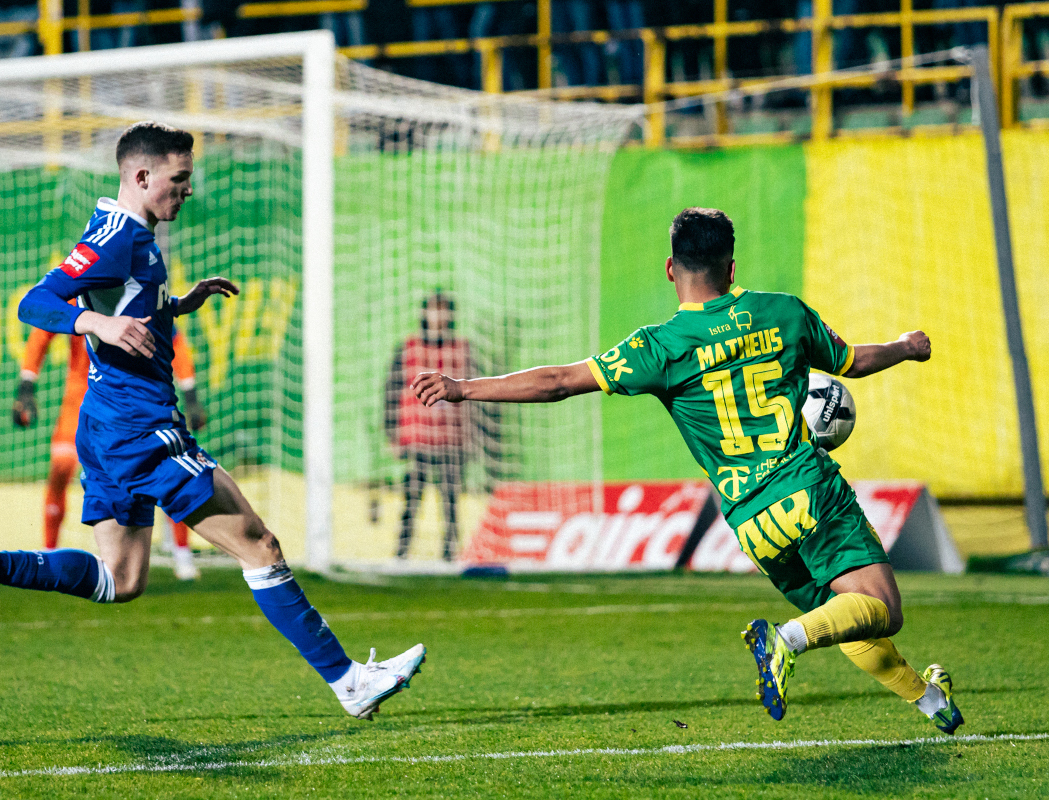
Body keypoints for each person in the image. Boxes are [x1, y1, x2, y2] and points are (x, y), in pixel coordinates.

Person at [0, 121, 425, 720]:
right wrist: (98, 326)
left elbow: (120, 296)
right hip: (142, 429)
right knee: (259, 546)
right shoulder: (116, 236)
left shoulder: (135, 234)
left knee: (121, 578)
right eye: (178, 179)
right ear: (142, 177)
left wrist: (175, 304)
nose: (187, 191)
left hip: (108, 427)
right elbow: (35, 301)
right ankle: (350, 682)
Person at [411, 207, 962, 735]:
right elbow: (856, 363)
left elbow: (557, 382)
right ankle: (786, 642)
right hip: (807, 487)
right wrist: (906, 346)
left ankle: (929, 698)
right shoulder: (783, 313)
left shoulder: (660, 347)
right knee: (882, 610)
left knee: (845, 611)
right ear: (731, 267)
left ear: (672, 268)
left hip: (752, 523)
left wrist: (463, 389)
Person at [12, 321, 206, 580]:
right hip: (81, 397)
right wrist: (27, 383)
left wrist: (190, 394)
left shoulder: (140, 296)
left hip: (131, 402)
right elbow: (42, 332)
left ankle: (182, 553)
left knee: (167, 469)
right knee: (61, 465)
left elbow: (175, 341)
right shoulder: (80, 290)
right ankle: (49, 553)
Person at [385, 292, 472, 561]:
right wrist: (391, 432)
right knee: (411, 498)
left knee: (450, 500)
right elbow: (390, 390)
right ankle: (402, 552)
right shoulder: (408, 347)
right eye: (434, 310)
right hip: (417, 437)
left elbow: (475, 393)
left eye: (444, 311)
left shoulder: (462, 348)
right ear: (425, 314)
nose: (439, 316)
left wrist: (473, 434)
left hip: (450, 437)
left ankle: (449, 554)